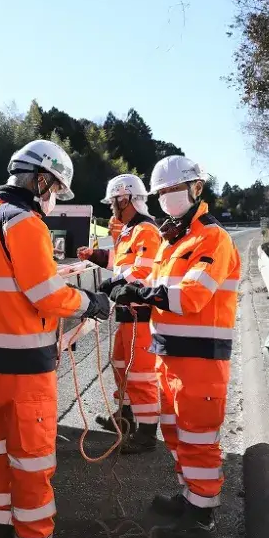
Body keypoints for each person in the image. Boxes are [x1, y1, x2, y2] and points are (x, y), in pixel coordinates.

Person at [0, 139, 112, 538]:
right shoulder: (26, 223)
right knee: (32, 463)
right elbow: (45, 295)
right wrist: (90, 302)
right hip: (25, 370)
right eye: (54, 189)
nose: (52, 200)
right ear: (41, 179)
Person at [105, 155, 241, 538]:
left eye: (173, 190)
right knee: (177, 433)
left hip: (200, 360)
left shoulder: (211, 238)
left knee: (198, 437)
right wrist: (121, 284)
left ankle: (201, 516)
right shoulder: (173, 239)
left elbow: (194, 295)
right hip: (170, 355)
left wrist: (141, 292)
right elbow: (151, 276)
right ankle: (189, 498)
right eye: (162, 192)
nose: (167, 198)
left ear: (197, 189)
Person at [76, 174, 161, 453]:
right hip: (128, 314)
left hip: (142, 314)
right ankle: (125, 418)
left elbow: (144, 272)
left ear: (124, 198)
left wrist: (113, 283)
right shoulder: (130, 230)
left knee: (140, 374)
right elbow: (119, 262)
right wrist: (94, 256)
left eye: (113, 200)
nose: (111, 206)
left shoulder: (145, 230)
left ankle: (147, 433)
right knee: (121, 366)